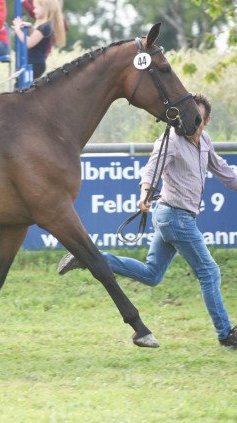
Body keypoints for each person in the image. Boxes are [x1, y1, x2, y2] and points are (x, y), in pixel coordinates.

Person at [58, 94, 237, 349]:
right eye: (186, 116)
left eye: (195, 118)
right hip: (175, 217)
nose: (188, 122)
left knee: (152, 274)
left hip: (172, 217)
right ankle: (225, 334)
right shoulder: (171, 141)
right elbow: (151, 170)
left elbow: (228, 175)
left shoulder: (205, 141)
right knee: (210, 272)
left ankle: (89, 257)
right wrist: (143, 195)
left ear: (205, 120)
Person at [12, 0, 66, 80]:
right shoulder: (44, 26)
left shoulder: (45, 27)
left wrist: (18, 30)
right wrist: (30, 28)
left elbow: (29, 43)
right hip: (34, 62)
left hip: (34, 64)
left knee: (26, 89)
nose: (33, 10)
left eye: (36, 8)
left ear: (45, 9)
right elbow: (36, 38)